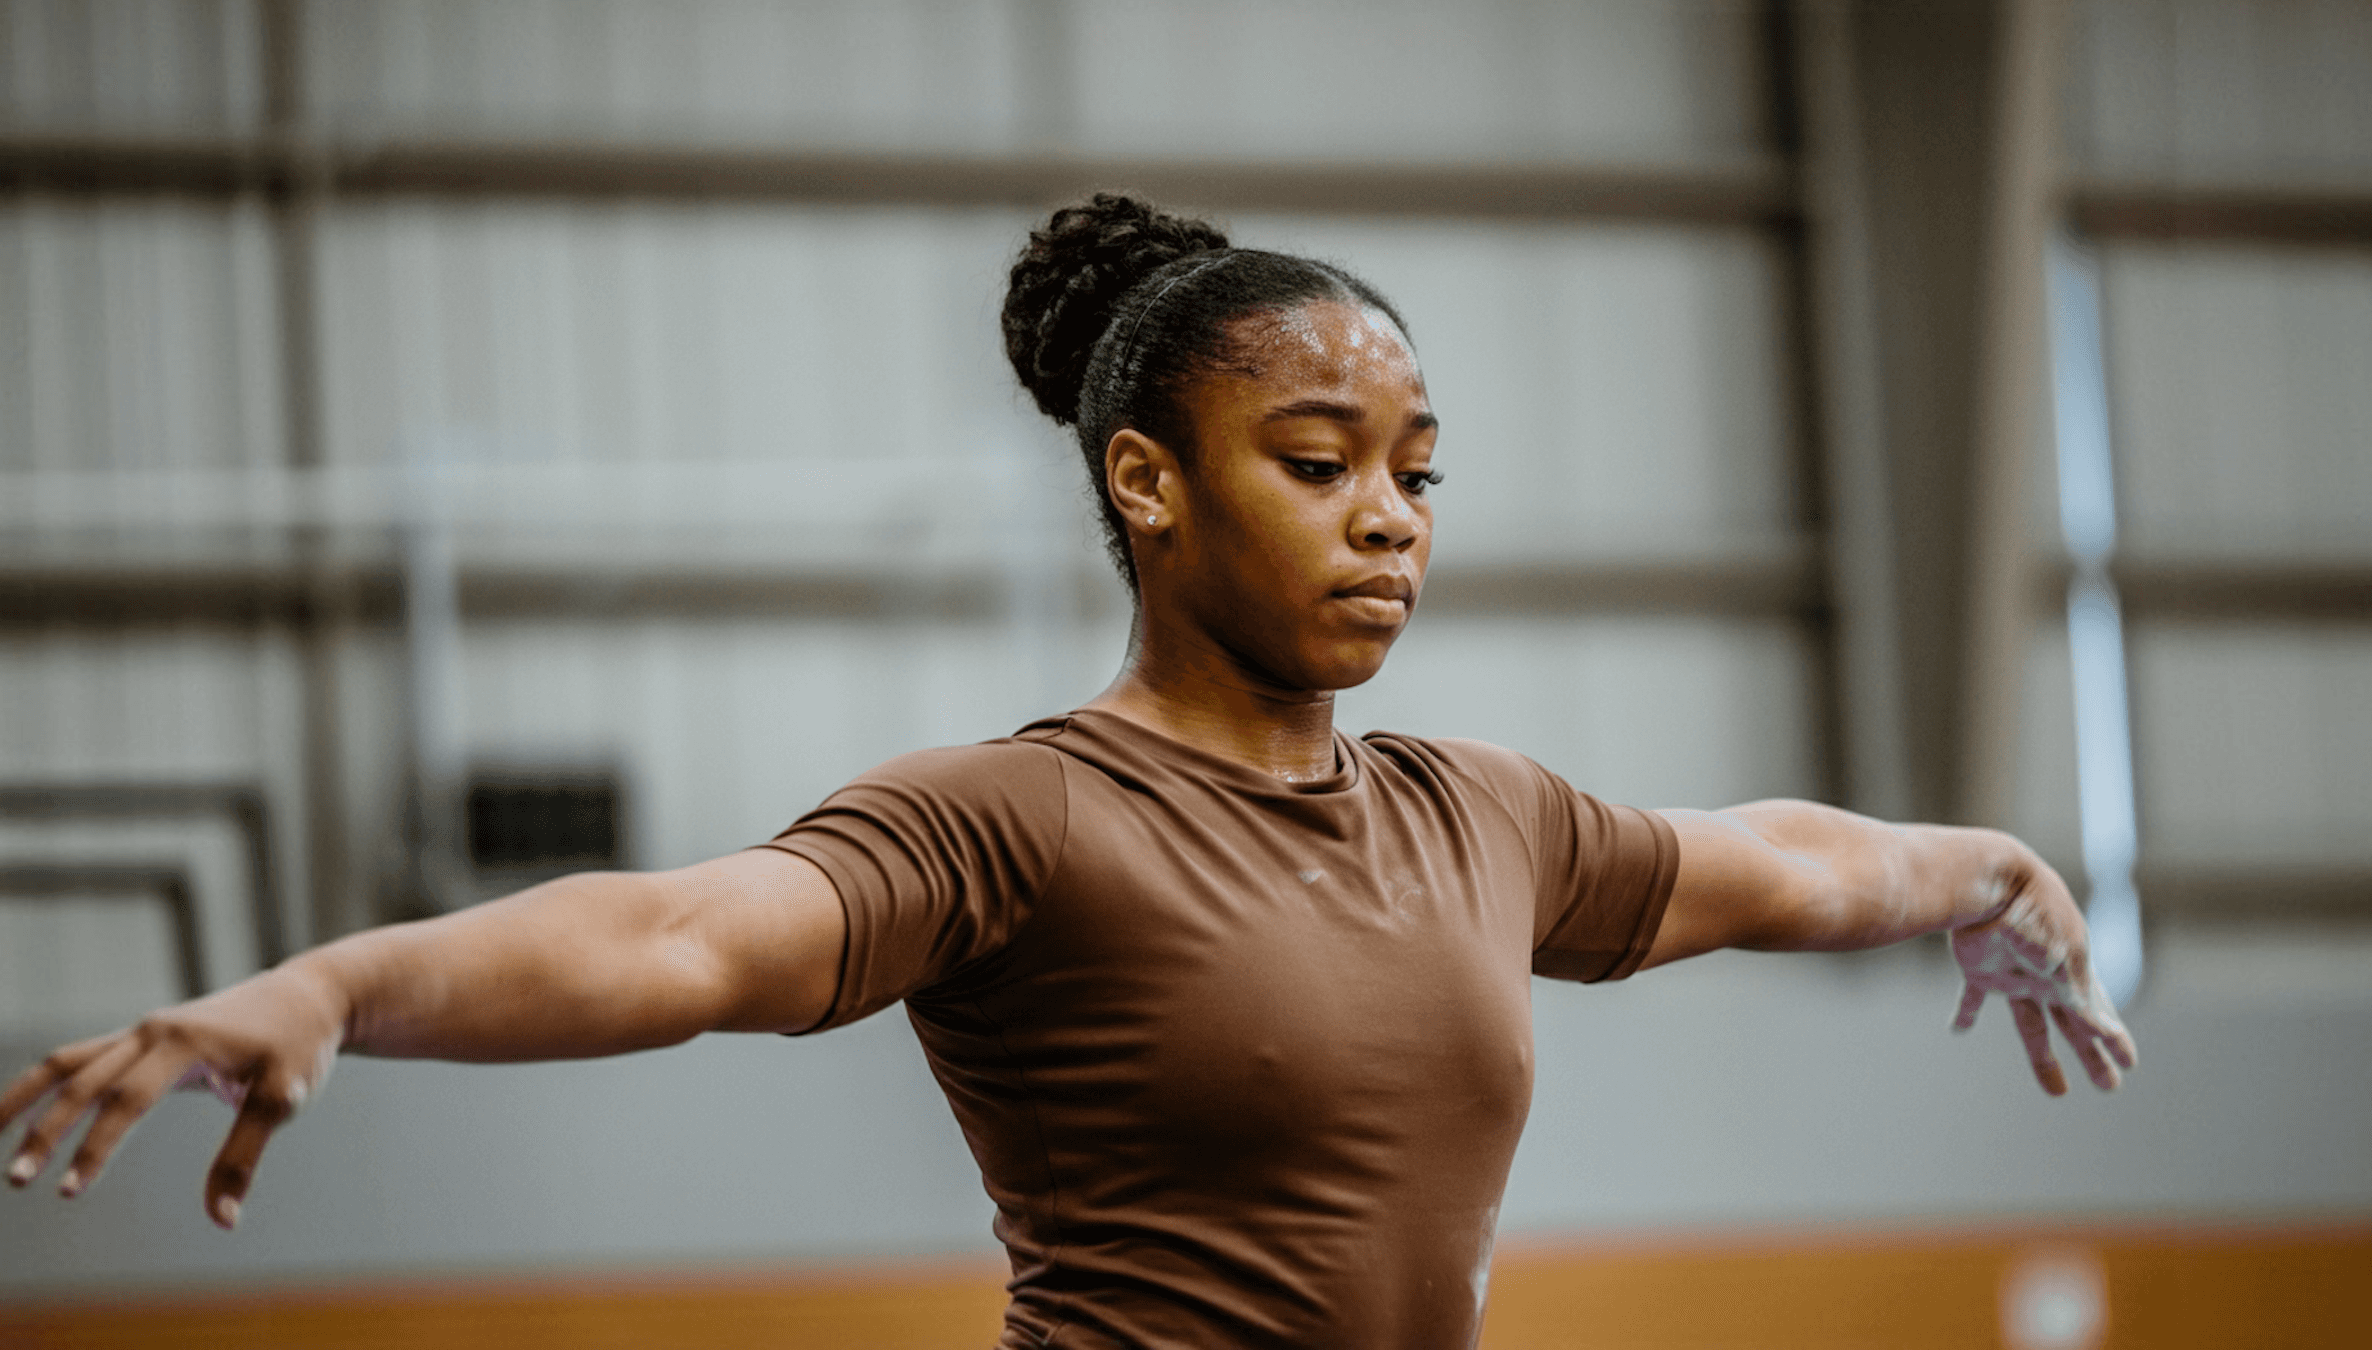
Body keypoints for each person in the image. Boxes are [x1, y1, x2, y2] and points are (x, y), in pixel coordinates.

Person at [2, 194, 2135, 1350]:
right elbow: (674, 934)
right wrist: (340, 986)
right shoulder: (1017, 823)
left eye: (1418, 472)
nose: (1390, 519)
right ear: (1148, 483)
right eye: (1319, 463)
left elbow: (1771, 858)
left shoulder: (1482, 814)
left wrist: (1991, 869)